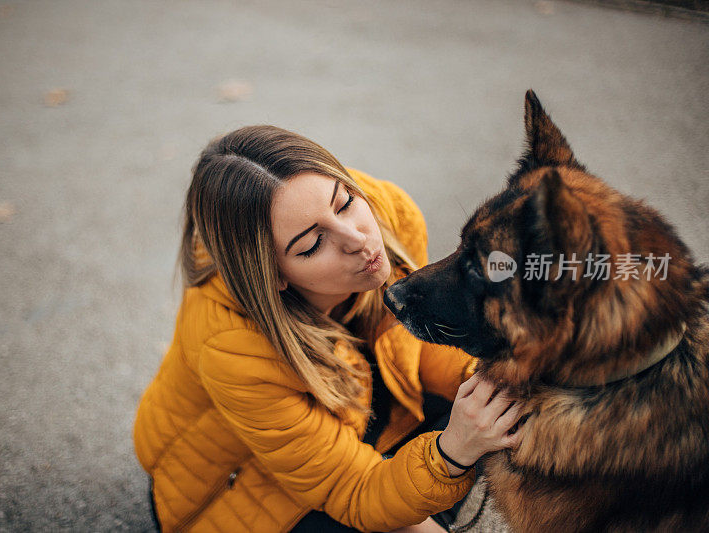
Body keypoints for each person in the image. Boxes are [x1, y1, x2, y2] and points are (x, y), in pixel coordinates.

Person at [133, 125, 524, 532]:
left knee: (497, 410)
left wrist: (482, 385)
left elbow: (415, 341)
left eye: (345, 203)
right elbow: (354, 491)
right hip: (233, 491)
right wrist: (452, 453)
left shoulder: (385, 214)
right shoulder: (234, 348)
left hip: (357, 414)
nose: (357, 238)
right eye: (312, 245)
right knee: (445, 460)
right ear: (274, 276)